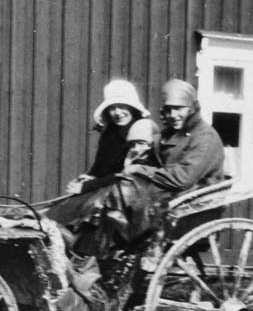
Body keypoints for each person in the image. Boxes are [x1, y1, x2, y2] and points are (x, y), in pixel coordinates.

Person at [48, 78, 224, 261]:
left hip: (189, 206)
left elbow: (183, 178)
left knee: (111, 198)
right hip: (165, 196)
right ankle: (86, 254)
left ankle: (89, 257)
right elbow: (156, 163)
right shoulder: (173, 133)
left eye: (179, 108)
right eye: (169, 109)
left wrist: (140, 170)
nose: (173, 114)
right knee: (108, 200)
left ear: (192, 107)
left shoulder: (204, 137)